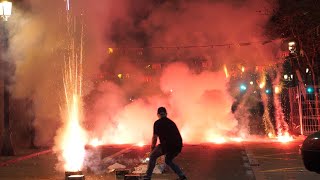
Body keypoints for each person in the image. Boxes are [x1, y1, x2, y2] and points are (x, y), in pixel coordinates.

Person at [144, 107, 187, 180]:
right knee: (168, 160)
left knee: (152, 156)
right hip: (178, 146)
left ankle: (147, 177)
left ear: (158, 114)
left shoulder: (157, 123)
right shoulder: (171, 122)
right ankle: (182, 176)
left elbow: (154, 137)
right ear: (166, 114)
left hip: (167, 145)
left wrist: (152, 149)